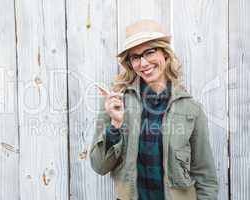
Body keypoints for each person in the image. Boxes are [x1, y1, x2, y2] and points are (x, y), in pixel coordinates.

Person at [89, 19, 218, 200]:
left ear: (165, 54)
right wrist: (115, 125)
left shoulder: (191, 109)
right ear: (130, 63)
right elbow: (99, 166)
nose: (143, 63)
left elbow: (205, 176)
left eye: (150, 52)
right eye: (135, 57)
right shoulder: (117, 102)